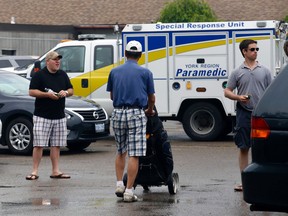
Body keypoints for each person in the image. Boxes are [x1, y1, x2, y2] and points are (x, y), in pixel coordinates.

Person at [106, 40, 156, 202]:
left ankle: (119, 183)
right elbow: (151, 97)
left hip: (118, 113)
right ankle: (128, 192)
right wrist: (149, 110)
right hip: (136, 113)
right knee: (135, 154)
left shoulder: (114, 72)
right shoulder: (145, 73)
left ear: (125, 54)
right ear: (140, 56)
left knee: (121, 150)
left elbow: (112, 96)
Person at [224, 39, 272, 192]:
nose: (255, 51)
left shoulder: (264, 70)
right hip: (244, 114)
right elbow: (227, 91)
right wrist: (238, 97)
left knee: (263, 148)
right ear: (244, 51)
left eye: (257, 49)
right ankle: (246, 182)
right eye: (252, 49)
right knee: (244, 147)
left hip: (262, 115)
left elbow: (271, 91)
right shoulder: (237, 72)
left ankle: (264, 180)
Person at [26, 51, 73, 180]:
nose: (57, 62)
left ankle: (56, 171)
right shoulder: (39, 75)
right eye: (54, 59)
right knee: (39, 144)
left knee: (56, 145)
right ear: (47, 61)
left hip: (59, 116)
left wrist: (65, 93)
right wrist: (47, 95)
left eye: (59, 59)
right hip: (42, 116)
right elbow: (31, 92)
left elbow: (71, 89)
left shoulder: (63, 74)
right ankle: (34, 171)